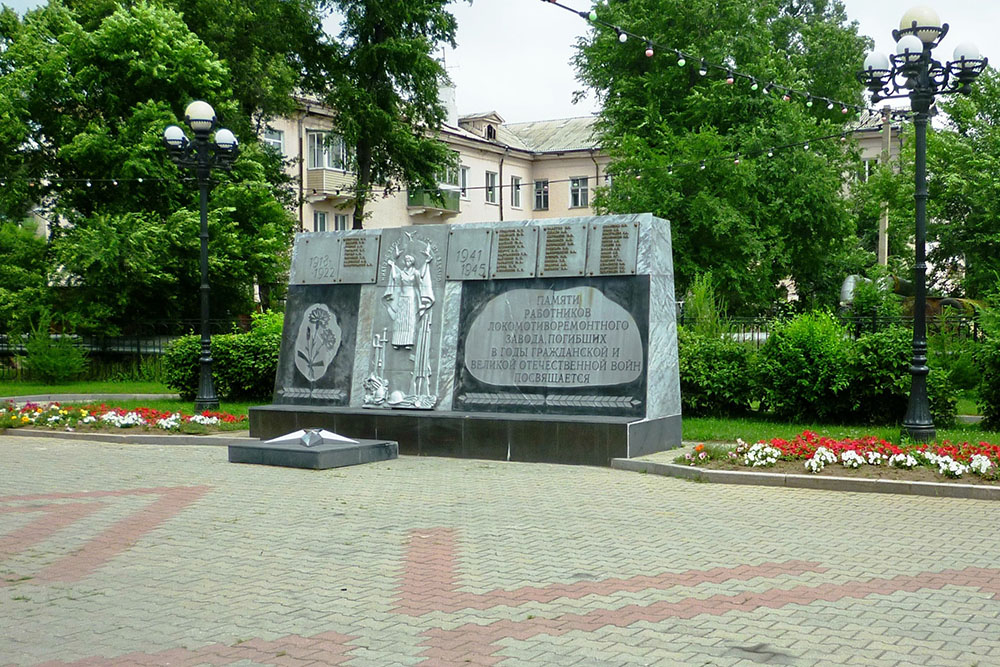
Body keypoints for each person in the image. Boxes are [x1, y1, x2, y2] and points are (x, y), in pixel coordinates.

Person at [383, 248, 434, 349]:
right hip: (402, 298)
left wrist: (427, 261)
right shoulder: (401, 273)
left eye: (410, 261)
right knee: (400, 320)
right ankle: (397, 342)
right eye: (406, 261)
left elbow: (422, 277)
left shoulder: (415, 272)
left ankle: (408, 342)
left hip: (411, 298)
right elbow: (394, 278)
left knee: (410, 320)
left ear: (412, 262)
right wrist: (393, 265)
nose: (408, 262)